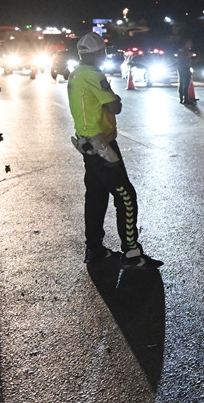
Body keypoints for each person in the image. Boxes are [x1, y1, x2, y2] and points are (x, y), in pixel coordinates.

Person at [68, 32, 163, 268]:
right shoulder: (93, 74)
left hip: (87, 143)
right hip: (103, 146)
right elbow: (115, 106)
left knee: (96, 197)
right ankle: (131, 251)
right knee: (126, 196)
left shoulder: (76, 73)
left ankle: (95, 249)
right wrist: (116, 97)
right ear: (100, 52)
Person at [176, 39, 195, 105]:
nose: (191, 45)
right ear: (186, 43)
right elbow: (185, 60)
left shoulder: (183, 51)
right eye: (189, 43)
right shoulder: (183, 51)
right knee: (185, 83)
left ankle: (182, 98)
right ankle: (185, 98)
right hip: (184, 68)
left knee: (183, 83)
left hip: (183, 68)